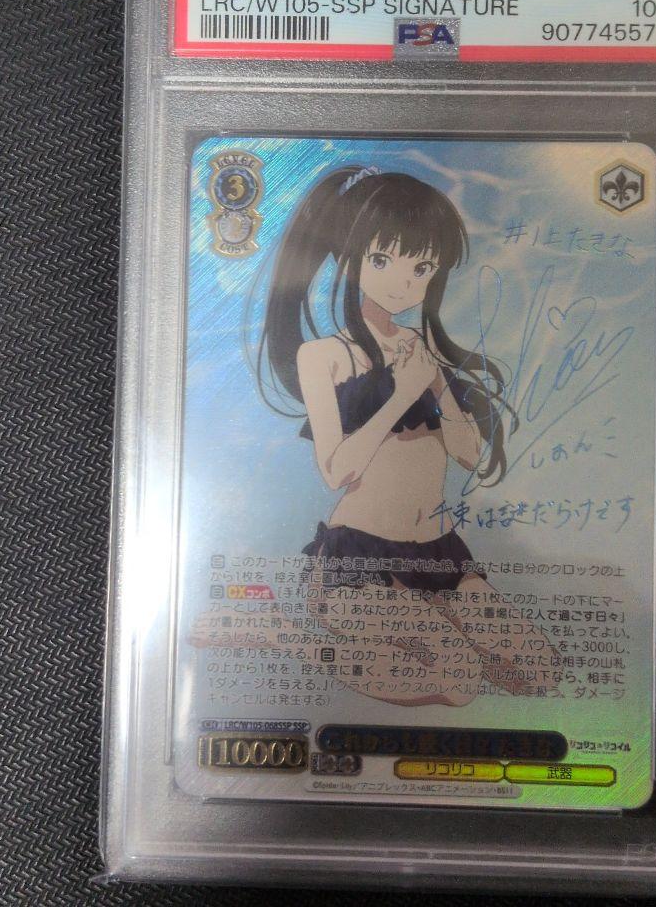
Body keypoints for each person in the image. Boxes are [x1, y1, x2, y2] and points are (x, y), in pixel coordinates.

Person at [191, 166, 559, 705]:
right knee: (458, 683)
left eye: (422, 267)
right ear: (350, 257)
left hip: (440, 554)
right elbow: (336, 470)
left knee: (539, 671)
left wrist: (436, 384)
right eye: (382, 260)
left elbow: (469, 456)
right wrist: (402, 395)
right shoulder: (323, 357)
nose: (402, 282)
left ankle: (432, 627)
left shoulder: (421, 349)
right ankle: (281, 632)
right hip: (359, 560)